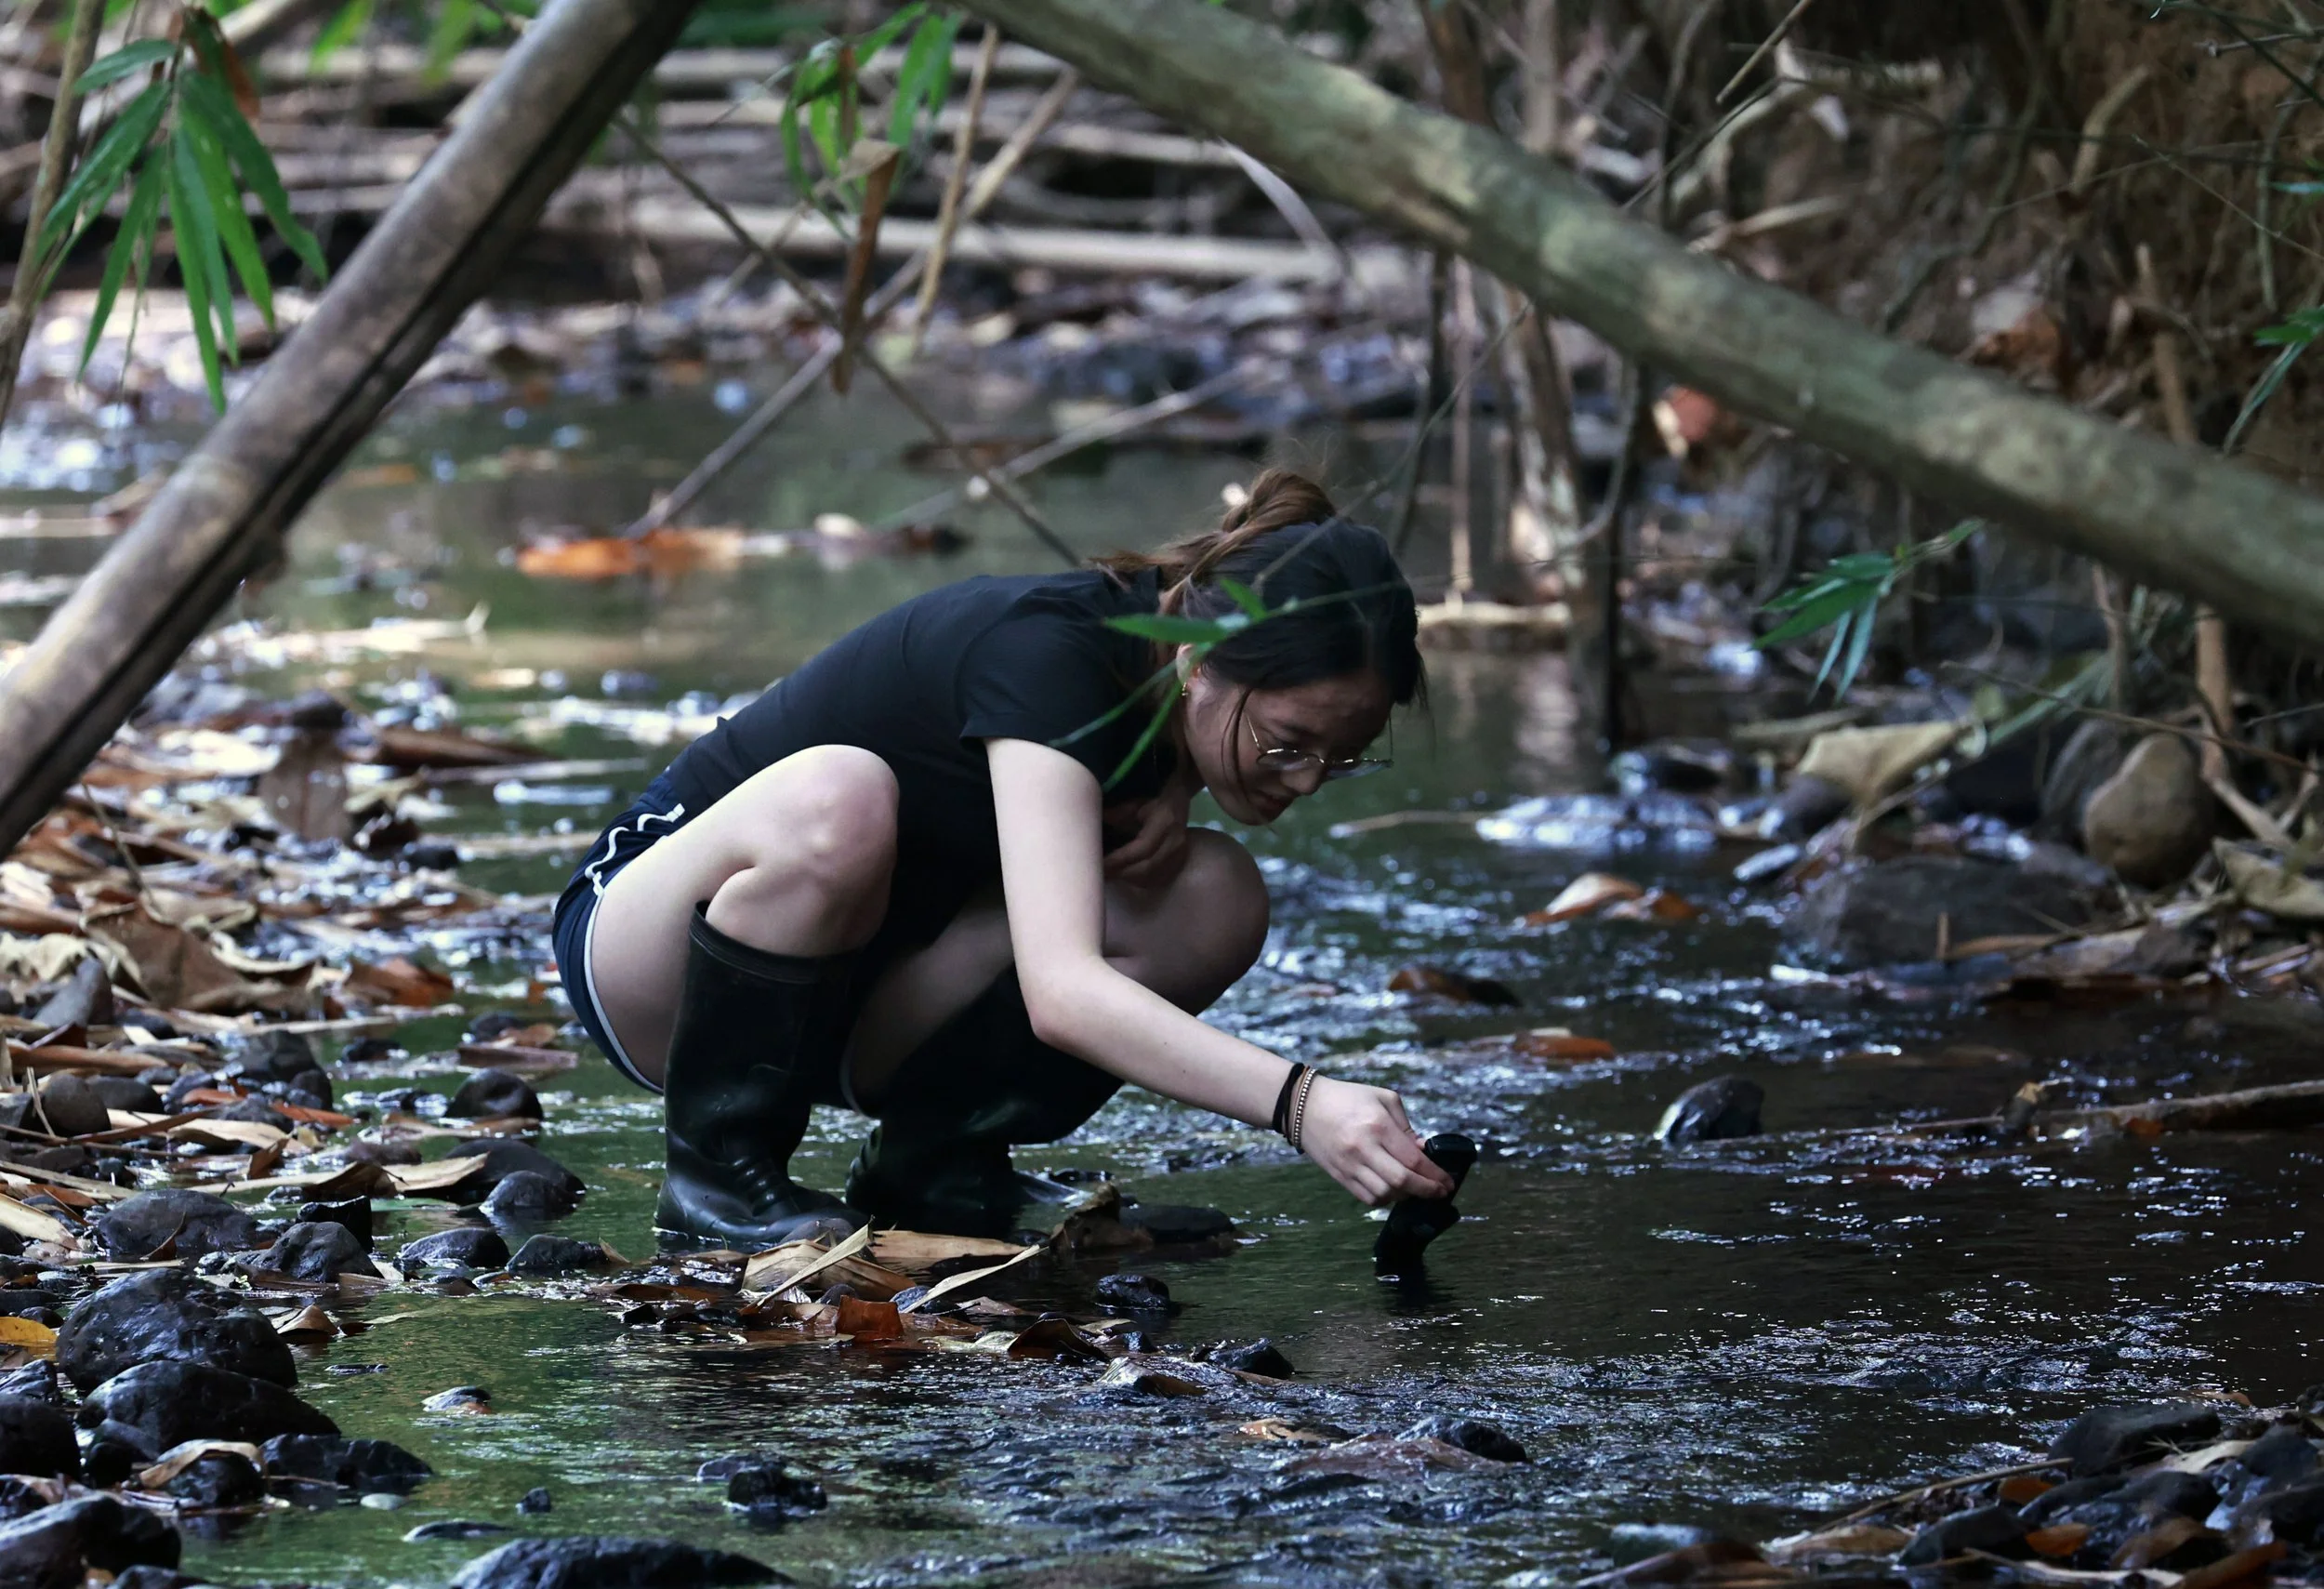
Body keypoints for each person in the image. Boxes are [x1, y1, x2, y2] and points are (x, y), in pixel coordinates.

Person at [550, 468, 1459, 1247]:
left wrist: (1181, 786)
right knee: (840, 795)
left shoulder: (1171, 698)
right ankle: (712, 1174)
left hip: (850, 998)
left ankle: (934, 1167)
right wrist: (1303, 1103)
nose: (1304, 782)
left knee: (1215, 892)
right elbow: (1061, 993)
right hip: (651, 958)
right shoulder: (1047, 654)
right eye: (1288, 742)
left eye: (1344, 755)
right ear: (1200, 662)